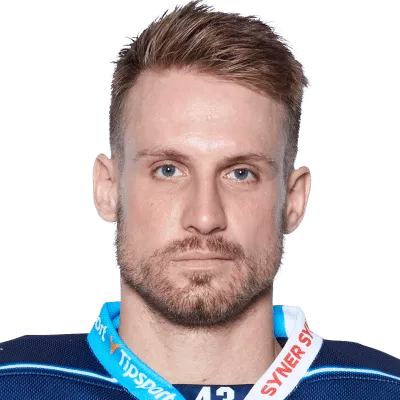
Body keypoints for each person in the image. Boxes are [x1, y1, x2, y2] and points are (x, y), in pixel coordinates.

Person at [1, 0, 399, 399]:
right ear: (106, 189)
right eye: (168, 170)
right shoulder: (15, 384)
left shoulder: (381, 388)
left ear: (294, 201)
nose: (205, 217)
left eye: (241, 173)